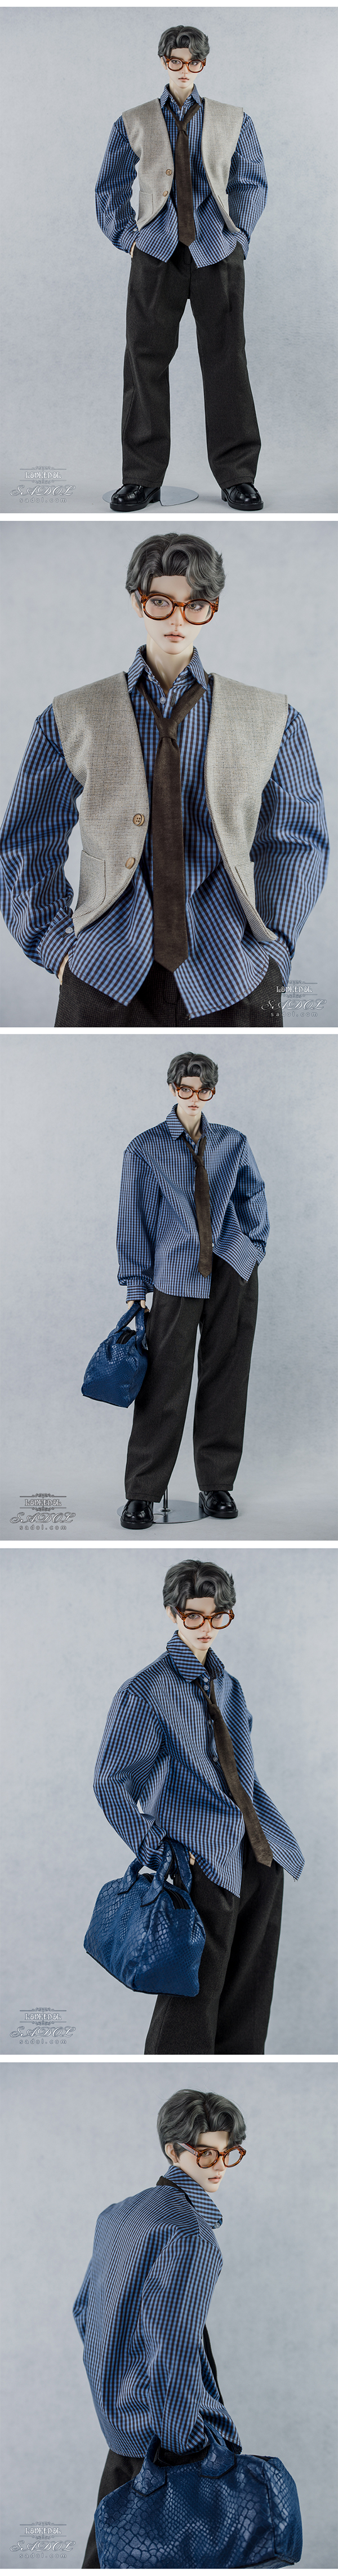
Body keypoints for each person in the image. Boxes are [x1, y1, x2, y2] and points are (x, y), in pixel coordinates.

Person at [0, 534, 328, 1029]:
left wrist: (275, 950)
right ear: (138, 601)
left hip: (234, 971)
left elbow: (296, 841)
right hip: (104, 970)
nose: (178, 619)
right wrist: (56, 947)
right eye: (161, 602)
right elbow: (28, 838)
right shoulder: (73, 714)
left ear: (212, 609)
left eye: (195, 605)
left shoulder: (272, 718)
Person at [93, 1557, 304, 2055]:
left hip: (260, 1857)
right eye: (194, 1615)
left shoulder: (230, 1687)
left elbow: (243, 1775)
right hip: (202, 1863)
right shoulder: (146, 1692)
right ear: (173, 1613)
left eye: (218, 1616)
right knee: (191, 2006)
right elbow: (110, 1782)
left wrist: (269, 1843)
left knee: (249, 2004)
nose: (206, 1627)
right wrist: (161, 1851)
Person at [96, 23, 268, 511]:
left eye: (194, 61)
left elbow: (252, 181)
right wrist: (128, 238)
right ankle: (141, 478)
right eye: (176, 60)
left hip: (217, 252)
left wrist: (239, 236)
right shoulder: (134, 120)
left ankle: (237, 477)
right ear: (164, 61)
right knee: (144, 362)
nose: (185, 69)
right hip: (156, 254)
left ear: (204, 64)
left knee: (227, 362)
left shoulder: (234, 119)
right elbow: (110, 185)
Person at [74, 2084, 246, 2568]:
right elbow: (172, 2349)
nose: (219, 2165)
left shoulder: (117, 2215)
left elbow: (85, 2313)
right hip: (168, 2445)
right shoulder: (188, 2235)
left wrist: (115, 2401)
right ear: (173, 2151)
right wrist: (184, 2447)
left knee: (108, 2559)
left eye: (229, 2152)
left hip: (122, 2435)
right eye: (206, 2153)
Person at [117, 1050, 269, 1524]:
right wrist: (136, 1286)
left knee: (227, 1377)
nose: (194, 1097)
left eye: (203, 1090)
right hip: (176, 1272)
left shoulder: (233, 1142)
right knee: (164, 1382)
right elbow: (133, 1220)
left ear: (212, 1092)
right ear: (173, 1088)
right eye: (185, 1088)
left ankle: (217, 1486)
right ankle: (143, 1491)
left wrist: (253, 1248)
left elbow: (253, 1194)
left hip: (231, 1268)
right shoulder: (145, 1149)